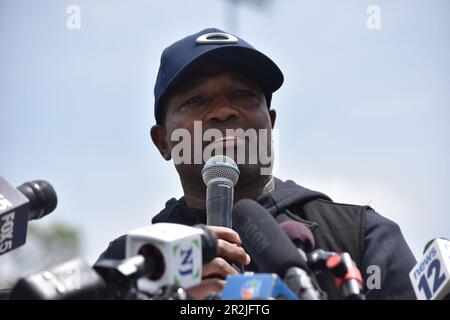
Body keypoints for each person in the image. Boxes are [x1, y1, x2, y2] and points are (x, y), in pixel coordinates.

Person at [97, 28, 417, 299]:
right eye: (195, 100)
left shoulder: (362, 237)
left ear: (270, 122)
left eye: (242, 93)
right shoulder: (127, 261)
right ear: (163, 141)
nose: (223, 111)